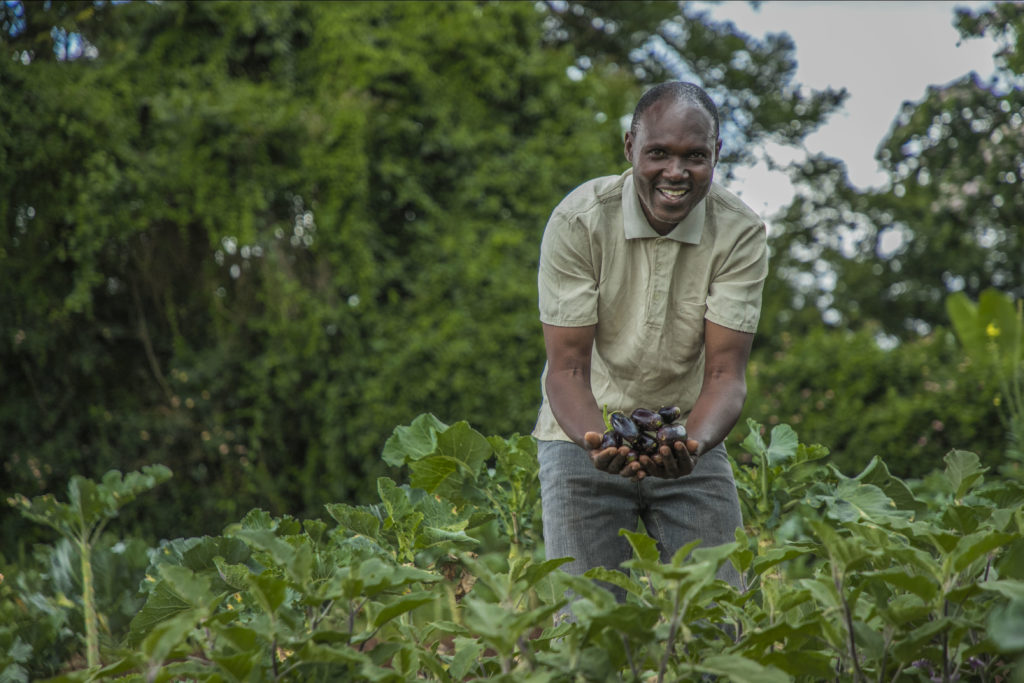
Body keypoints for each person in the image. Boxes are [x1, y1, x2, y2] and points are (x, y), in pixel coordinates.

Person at [533, 81, 768, 599]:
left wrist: (692, 443)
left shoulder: (740, 233)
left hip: (689, 441)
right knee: (589, 629)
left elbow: (726, 375)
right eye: (658, 153)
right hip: (581, 439)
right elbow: (567, 370)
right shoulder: (579, 221)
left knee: (723, 617)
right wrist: (599, 442)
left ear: (717, 155)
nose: (676, 173)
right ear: (629, 149)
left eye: (695, 156)